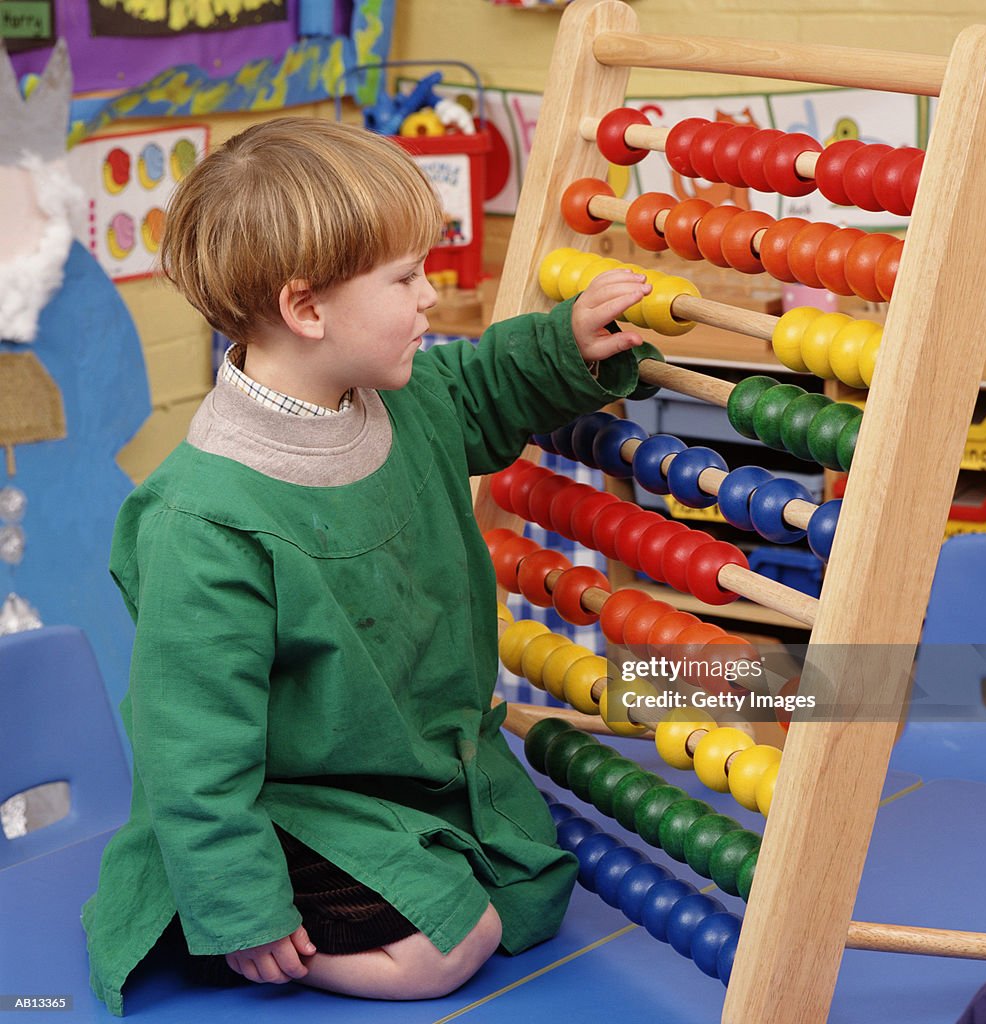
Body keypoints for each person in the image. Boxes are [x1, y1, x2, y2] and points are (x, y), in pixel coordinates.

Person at [81, 116, 652, 1016]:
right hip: (289, 803)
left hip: (412, 770)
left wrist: (562, 344)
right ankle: (216, 934)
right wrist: (241, 906)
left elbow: (478, 388)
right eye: (405, 278)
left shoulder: (394, 398)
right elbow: (191, 745)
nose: (429, 299)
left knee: (525, 882)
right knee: (444, 952)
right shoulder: (204, 523)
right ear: (307, 309)